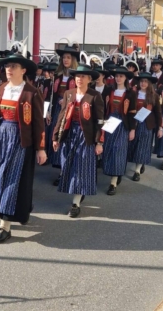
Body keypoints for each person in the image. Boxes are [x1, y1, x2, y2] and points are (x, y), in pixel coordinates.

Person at [0, 54, 46, 242]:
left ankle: (5, 225)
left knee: (11, 178)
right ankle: (17, 210)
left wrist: (40, 148)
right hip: (1, 136)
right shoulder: (1, 88)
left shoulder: (32, 92)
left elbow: (38, 123)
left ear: (23, 70)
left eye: (14, 66)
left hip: (20, 139)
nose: (9, 69)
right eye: (7, 66)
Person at [52, 64, 104, 217]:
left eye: (83, 76)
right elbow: (62, 115)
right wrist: (56, 136)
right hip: (69, 134)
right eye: (77, 76)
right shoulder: (69, 93)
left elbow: (100, 121)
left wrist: (99, 142)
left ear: (89, 79)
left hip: (85, 136)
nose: (79, 79)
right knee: (68, 165)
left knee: (80, 167)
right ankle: (79, 192)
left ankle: (75, 203)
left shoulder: (95, 96)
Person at [102, 66, 137, 196]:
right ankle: (115, 172)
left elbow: (132, 113)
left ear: (126, 78)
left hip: (123, 124)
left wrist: (132, 129)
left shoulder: (131, 93)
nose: (118, 78)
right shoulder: (108, 90)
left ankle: (113, 182)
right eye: (116, 76)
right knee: (108, 149)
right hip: (110, 122)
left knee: (118, 150)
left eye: (121, 76)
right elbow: (102, 108)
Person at [48, 44, 79, 184]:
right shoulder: (57, 76)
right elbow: (50, 96)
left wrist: (68, 101)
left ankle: (66, 172)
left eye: (68, 57)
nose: (65, 60)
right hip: (57, 111)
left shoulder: (77, 76)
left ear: (73, 60)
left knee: (67, 139)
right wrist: (48, 111)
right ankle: (61, 170)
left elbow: (80, 95)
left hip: (70, 112)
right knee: (57, 137)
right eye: (64, 58)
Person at [127, 72, 163, 181]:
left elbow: (158, 113)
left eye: (146, 82)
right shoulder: (133, 94)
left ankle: (137, 170)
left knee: (142, 147)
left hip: (147, 125)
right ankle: (139, 162)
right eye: (141, 81)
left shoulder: (154, 96)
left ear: (149, 84)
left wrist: (160, 128)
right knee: (133, 145)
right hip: (134, 123)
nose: (143, 83)